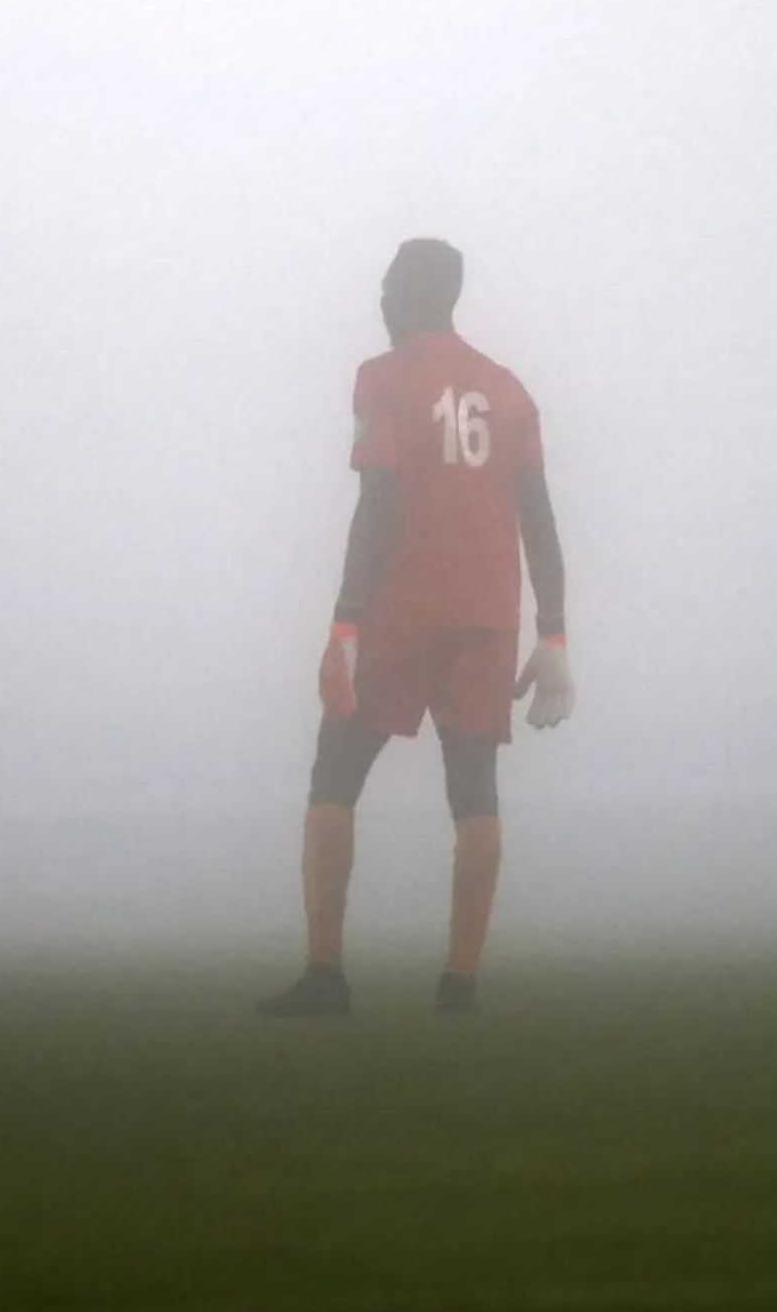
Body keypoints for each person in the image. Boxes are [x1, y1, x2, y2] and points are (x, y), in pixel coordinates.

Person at [257, 238, 574, 1017]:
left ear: (408, 292)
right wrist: (554, 634)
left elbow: (381, 503)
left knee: (335, 773)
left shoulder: (383, 377)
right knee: (474, 789)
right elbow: (538, 514)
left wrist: (345, 624)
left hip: (402, 608)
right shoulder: (507, 389)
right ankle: (460, 983)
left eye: (388, 286)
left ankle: (325, 975)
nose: (380, 299)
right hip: (489, 613)